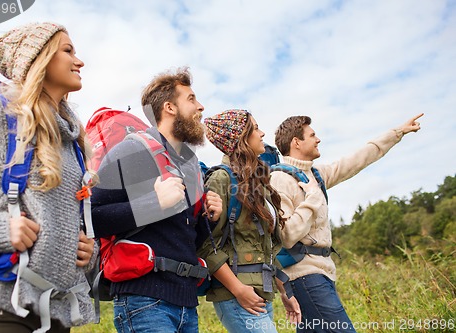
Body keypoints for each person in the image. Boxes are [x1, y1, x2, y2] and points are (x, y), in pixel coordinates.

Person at [0, 22, 97, 333]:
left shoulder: (73, 141)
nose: (79, 61)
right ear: (38, 58)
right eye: (68, 51)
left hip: (56, 314)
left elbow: (64, 220)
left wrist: (90, 250)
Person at [91, 67, 222, 333]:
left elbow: (185, 239)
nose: (200, 106)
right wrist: (154, 204)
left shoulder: (191, 164)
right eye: (192, 99)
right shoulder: (132, 150)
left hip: (186, 304)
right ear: (169, 107)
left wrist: (210, 218)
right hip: (144, 302)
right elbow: (91, 218)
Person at [270, 113, 423, 333]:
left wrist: (397, 132)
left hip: (322, 273)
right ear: (296, 142)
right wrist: (312, 198)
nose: (318, 139)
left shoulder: (316, 174)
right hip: (305, 276)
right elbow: (286, 235)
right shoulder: (280, 180)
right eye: (312, 135)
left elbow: (357, 159)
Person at [197, 109, 301, 333]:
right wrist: (238, 290)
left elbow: (268, 249)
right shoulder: (221, 179)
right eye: (254, 128)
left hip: (261, 291)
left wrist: (284, 292)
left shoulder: (258, 184)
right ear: (239, 138)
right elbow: (206, 245)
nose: (262, 133)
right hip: (238, 296)